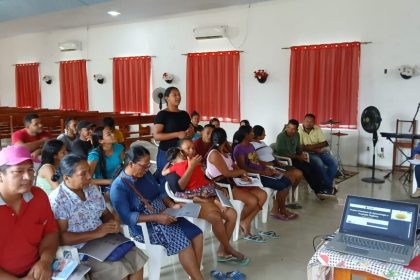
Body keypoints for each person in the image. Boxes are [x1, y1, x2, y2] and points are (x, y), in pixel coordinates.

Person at [110, 146, 204, 280]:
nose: (147, 169)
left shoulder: (145, 173)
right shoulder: (119, 187)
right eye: (144, 166)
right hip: (144, 226)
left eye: (148, 165)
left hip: (163, 213)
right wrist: (157, 218)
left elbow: (159, 191)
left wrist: (172, 205)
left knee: (197, 234)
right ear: (131, 163)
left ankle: (194, 274)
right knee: (184, 244)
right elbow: (126, 218)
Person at [49, 154, 147, 280]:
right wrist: (96, 233)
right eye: (83, 174)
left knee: (136, 259)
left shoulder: (91, 189)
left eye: (89, 171)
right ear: (67, 178)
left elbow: (105, 213)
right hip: (81, 249)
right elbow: (61, 238)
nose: (89, 177)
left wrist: (112, 223)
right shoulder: (58, 200)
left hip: (103, 240)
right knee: (119, 270)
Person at [163, 146, 249, 264]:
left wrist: (218, 187)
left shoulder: (194, 161)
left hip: (209, 193)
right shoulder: (176, 169)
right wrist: (190, 166)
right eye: (186, 149)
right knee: (216, 217)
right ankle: (228, 248)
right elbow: (180, 187)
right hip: (195, 199)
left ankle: (222, 250)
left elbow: (206, 178)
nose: (191, 151)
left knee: (232, 215)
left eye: (191, 148)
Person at [0, 145, 59, 279]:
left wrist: (45, 261)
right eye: (19, 171)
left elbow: (50, 232)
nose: (28, 177)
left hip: (38, 271)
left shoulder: (38, 196)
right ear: (0, 176)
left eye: (31, 170)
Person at [206, 127, 269, 240]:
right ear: (225, 139)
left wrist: (241, 174)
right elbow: (225, 173)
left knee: (263, 195)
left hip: (235, 181)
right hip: (224, 185)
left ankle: (245, 221)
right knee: (253, 201)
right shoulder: (214, 153)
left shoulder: (223, 151)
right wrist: (241, 172)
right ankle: (234, 222)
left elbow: (233, 166)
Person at [233, 125, 298, 221]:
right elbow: (243, 168)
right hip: (255, 176)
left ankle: (277, 209)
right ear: (246, 135)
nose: (253, 134)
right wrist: (262, 172)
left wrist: (268, 168)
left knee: (287, 180)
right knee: (283, 185)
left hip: (262, 171)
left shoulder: (250, 146)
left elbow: (256, 161)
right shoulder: (239, 148)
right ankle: (281, 210)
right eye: (251, 132)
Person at [275, 119, 335, 199]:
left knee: (313, 167)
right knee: (306, 170)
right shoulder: (281, 137)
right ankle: (318, 191)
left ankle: (322, 190)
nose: (291, 130)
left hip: (295, 157)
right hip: (285, 160)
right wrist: (298, 157)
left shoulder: (297, 135)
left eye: (293, 129)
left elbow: (298, 148)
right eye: (289, 128)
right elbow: (282, 153)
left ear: (297, 129)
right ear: (286, 127)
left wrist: (301, 154)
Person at [251, 125, 303, 204]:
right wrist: (266, 164)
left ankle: (291, 192)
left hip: (275, 163)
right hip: (268, 166)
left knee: (299, 173)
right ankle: (281, 202)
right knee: (293, 176)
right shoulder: (251, 145)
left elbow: (270, 153)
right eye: (263, 133)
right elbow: (255, 160)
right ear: (258, 135)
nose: (265, 135)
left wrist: (277, 160)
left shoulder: (263, 142)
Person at [153, 87, 194, 183]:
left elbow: (190, 130)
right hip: (167, 153)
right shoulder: (162, 114)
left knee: (183, 179)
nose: (178, 97)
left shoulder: (184, 114)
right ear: (167, 98)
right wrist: (177, 134)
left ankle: (180, 197)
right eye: (174, 95)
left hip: (183, 152)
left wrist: (191, 132)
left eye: (179, 94)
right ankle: (164, 197)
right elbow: (156, 136)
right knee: (166, 179)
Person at [299, 114, 338, 191]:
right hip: (308, 153)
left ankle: (325, 186)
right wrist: (314, 149)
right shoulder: (298, 130)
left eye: (311, 122)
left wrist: (311, 147)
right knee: (320, 164)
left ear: (314, 123)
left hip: (320, 152)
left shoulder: (317, 129)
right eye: (307, 121)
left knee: (334, 163)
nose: (308, 123)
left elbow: (325, 143)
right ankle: (328, 188)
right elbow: (300, 147)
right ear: (303, 121)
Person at [87, 126, 124, 191]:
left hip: (119, 181)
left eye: (111, 132)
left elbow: (122, 166)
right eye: (109, 134)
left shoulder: (119, 147)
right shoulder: (94, 155)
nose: (113, 134)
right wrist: (111, 181)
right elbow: (88, 179)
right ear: (101, 141)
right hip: (103, 185)